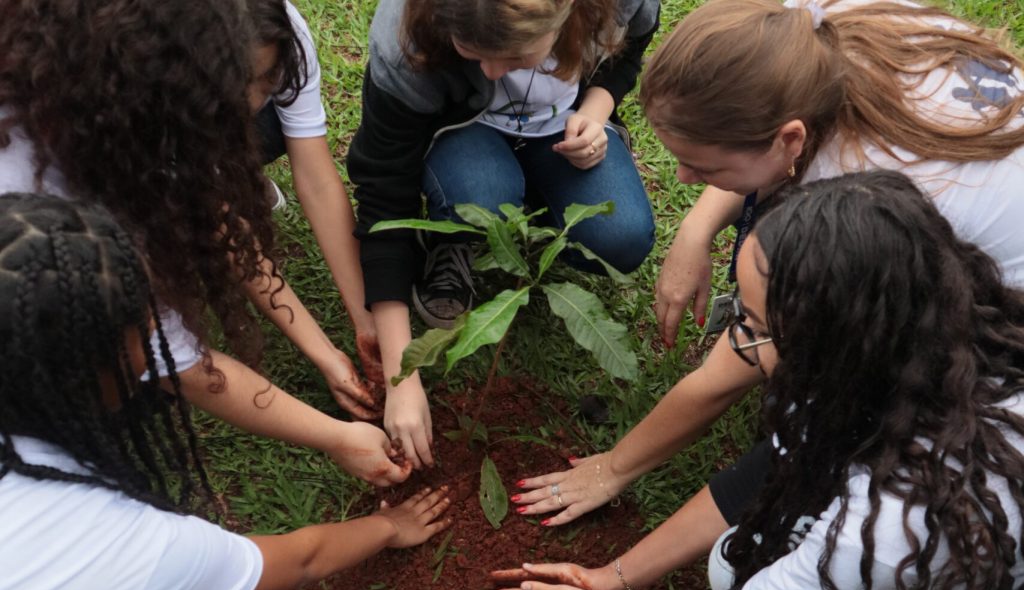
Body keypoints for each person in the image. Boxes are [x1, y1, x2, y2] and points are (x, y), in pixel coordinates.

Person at [492, 171, 1024, 590]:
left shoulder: (879, 533)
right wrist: (612, 579)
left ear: (826, 342)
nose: (738, 339)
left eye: (751, 322)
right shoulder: (937, 349)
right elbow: (767, 475)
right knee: (732, 564)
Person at [0, 193, 452, 590]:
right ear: (108, 372)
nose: (162, 331)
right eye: (147, 323)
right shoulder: (109, 540)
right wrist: (390, 528)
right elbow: (301, 560)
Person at [514, 0, 1024, 523]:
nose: (685, 179)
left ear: (791, 139)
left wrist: (616, 467)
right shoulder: (806, 27)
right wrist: (696, 228)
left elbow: (736, 367)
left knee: (831, 413)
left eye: (704, 165)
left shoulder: (864, 200)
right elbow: (766, 154)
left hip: (1003, 330)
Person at [0, 0, 406, 486]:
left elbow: (213, 215)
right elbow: (179, 359)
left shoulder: (265, 25)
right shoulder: (63, 165)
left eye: (267, 78)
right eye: (238, 87)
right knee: (107, 389)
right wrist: (336, 437)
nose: (258, 101)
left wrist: (330, 348)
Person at [347, 0, 659, 470]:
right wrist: (401, 374)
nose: (492, 72)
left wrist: (596, 108)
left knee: (622, 236)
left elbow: (631, 47)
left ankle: (522, 200)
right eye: (471, 54)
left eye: (514, 58)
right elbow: (384, 194)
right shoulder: (406, 35)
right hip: (463, 134)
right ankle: (465, 226)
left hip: (562, 133)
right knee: (483, 195)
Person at [248, 0, 384, 389]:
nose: (256, 100)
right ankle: (219, 172)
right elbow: (225, 233)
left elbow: (316, 178)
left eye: (267, 76)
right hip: (136, 142)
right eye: (239, 79)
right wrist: (323, 352)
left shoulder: (281, 30)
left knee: (269, 124)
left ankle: (232, 169)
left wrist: (366, 318)